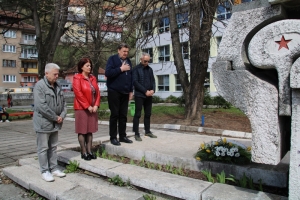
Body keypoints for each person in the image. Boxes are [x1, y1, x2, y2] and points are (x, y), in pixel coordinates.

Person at [33, 63, 67, 182]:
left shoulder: (58, 86)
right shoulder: (39, 86)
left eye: (58, 74)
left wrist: (62, 115)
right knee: (43, 148)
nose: (57, 76)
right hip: (43, 123)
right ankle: (45, 170)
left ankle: (53, 168)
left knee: (53, 147)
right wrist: (55, 117)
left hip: (55, 124)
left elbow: (64, 103)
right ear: (46, 73)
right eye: (55, 74)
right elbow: (41, 106)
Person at [105, 43, 133, 146]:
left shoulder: (128, 61)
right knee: (115, 115)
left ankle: (122, 136)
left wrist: (131, 91)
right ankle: (113, 137)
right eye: (124, 51)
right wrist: (121, 69)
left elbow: (131, 77)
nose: (125, 53)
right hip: (114, 92)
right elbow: (108, 73)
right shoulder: (112, 59)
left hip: (125, 92)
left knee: (123, 115)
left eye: (127, 51)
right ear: (118, 50)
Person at [73, 58, 100, 161]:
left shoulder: (93, 78)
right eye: (87, 66)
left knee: (90, 130)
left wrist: (96, 105)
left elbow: (97, 93)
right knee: (82, 130)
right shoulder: (77, 78)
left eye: (90, 66)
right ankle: (83, 152)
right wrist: (87, 106)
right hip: (82, 108)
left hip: (92, 108)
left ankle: (89, 151)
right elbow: (78, 93)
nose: (90, 67)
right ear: (81, 67)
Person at [132, 53, 157, 141]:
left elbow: (153, 81)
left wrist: (153, 90)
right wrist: (145, 91)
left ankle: (147, 131)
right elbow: (135, 82)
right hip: (140, 95)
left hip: (149, 95)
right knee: (138, 114)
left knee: (148, 114)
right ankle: (136, 133)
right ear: (141, 59)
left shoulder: (150, 69)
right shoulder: (136, 69)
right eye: (145, 61)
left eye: (148, 61)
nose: (146, 63)